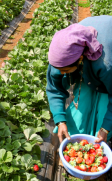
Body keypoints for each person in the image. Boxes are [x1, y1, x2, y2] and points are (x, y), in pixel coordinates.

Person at [46, 15, 112, 144]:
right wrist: (60, 120)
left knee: (105, 114)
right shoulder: (60, 57)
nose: (61, 73)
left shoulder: (106, 64)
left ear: (81, 58)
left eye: (65, 70)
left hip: (108, 46)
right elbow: (54, 89)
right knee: (80, 111)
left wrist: (106, 128)